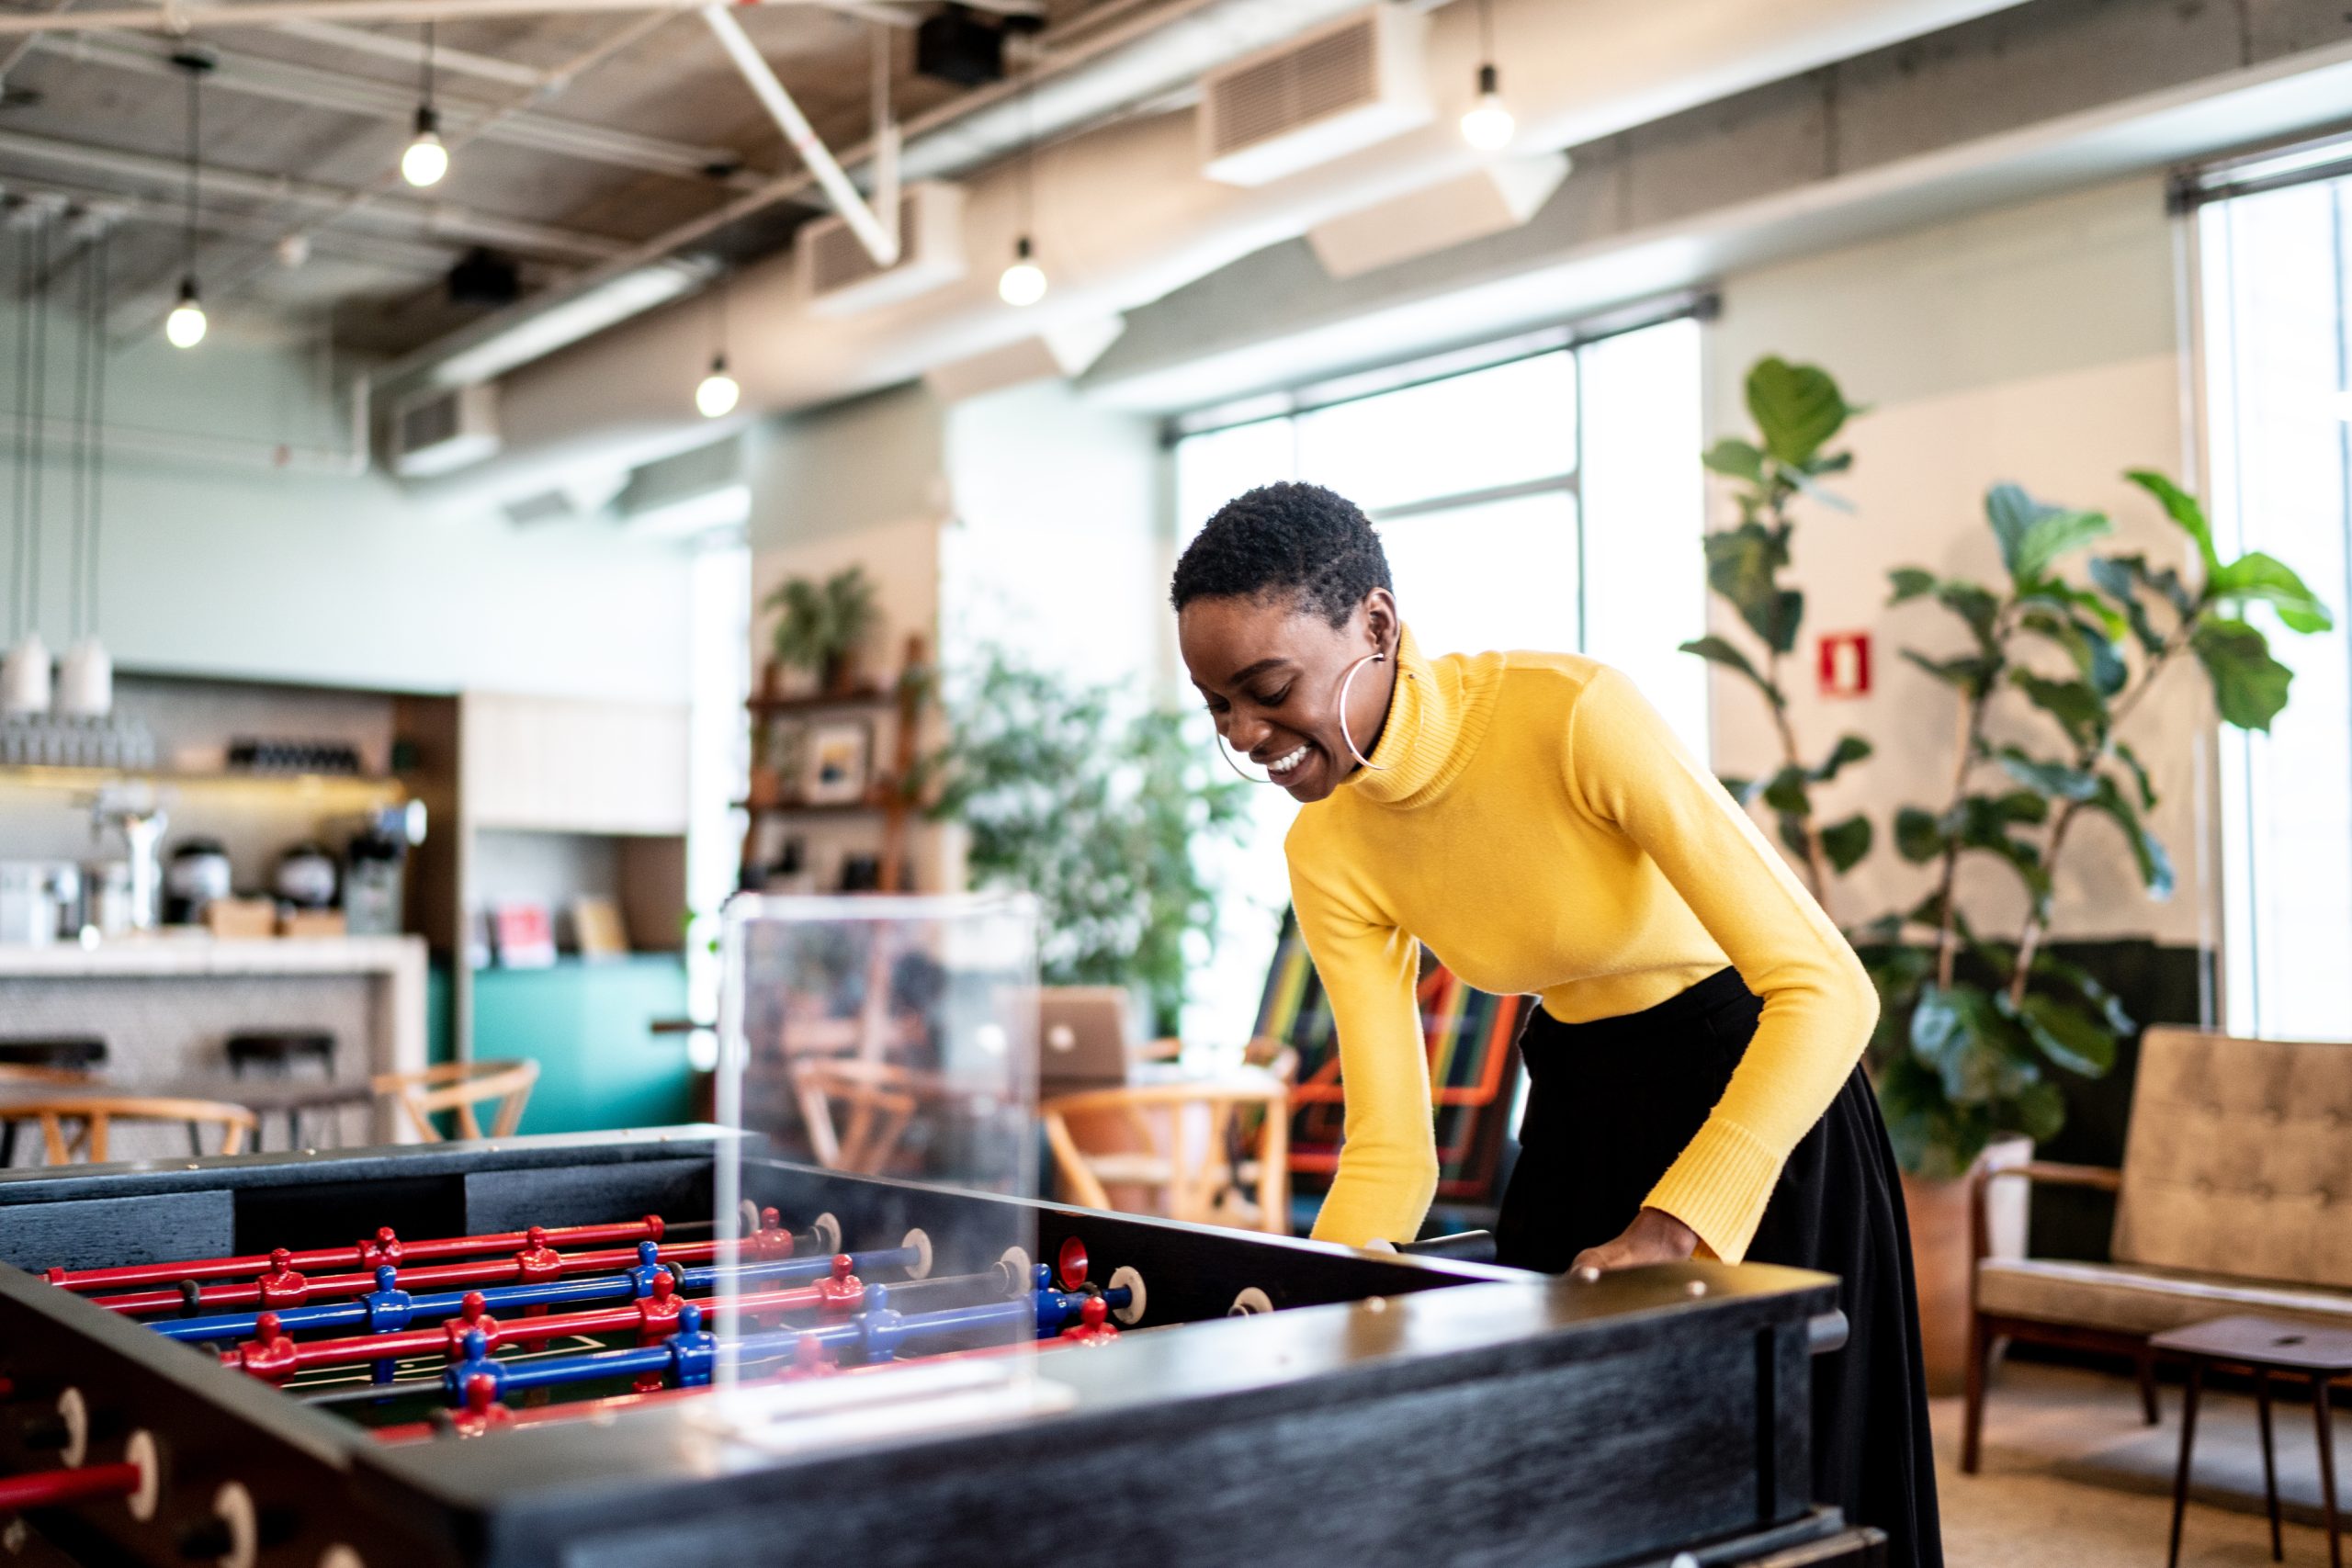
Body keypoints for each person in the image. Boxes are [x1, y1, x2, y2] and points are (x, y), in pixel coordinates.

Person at [1170, 481, 1940, 1568]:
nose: (1248, 736)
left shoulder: (1571, 715)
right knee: (1570, 1495)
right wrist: (1314, 1307)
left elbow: (1827, 991)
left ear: (1377, 626)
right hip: (1579, 1097)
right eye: (1216, 707)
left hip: (1759, 1095)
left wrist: (1677, 1226)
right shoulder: (1325, 849)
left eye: (1268, 688)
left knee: (1784, 1501)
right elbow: (1391, 1145)